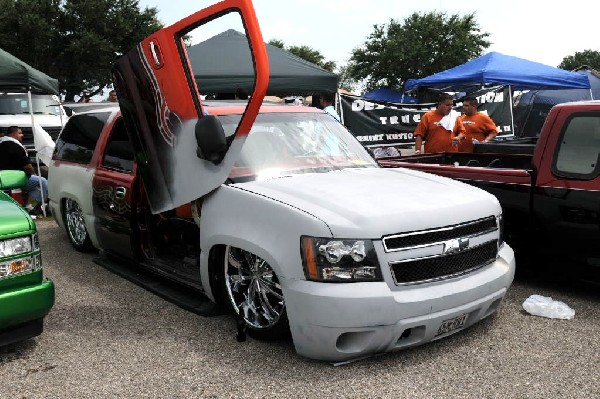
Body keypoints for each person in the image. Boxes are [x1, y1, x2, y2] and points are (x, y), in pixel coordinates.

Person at [0, 126, 48, 213]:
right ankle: (30, 207)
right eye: (19, 133)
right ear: (12, 134)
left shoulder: (2, 144)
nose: (22, 135)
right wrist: (33, 174)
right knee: (42, 182)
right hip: (16, 179)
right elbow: (27, 167)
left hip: (2, 179)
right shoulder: (16, 146)